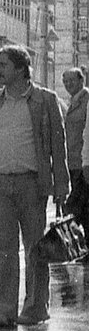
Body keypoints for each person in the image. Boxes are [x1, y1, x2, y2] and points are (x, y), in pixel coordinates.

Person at [0, 45, 69, 329]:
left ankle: (35, 308)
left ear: (21, 69)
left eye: (3, 65)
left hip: (32, 185)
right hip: (0, 185)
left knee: (35, 248)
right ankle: (3, 310)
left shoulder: (44, 100)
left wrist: (62, 184)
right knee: (3, 250)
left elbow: (57, 147)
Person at [62, 67, 88, 228]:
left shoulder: (86, 100)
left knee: (76, 207)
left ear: (81, 80)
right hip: (73, 163)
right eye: (65, 81)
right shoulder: (72, 102)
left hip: (83, 163)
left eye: (72, 80)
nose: (68, 84)